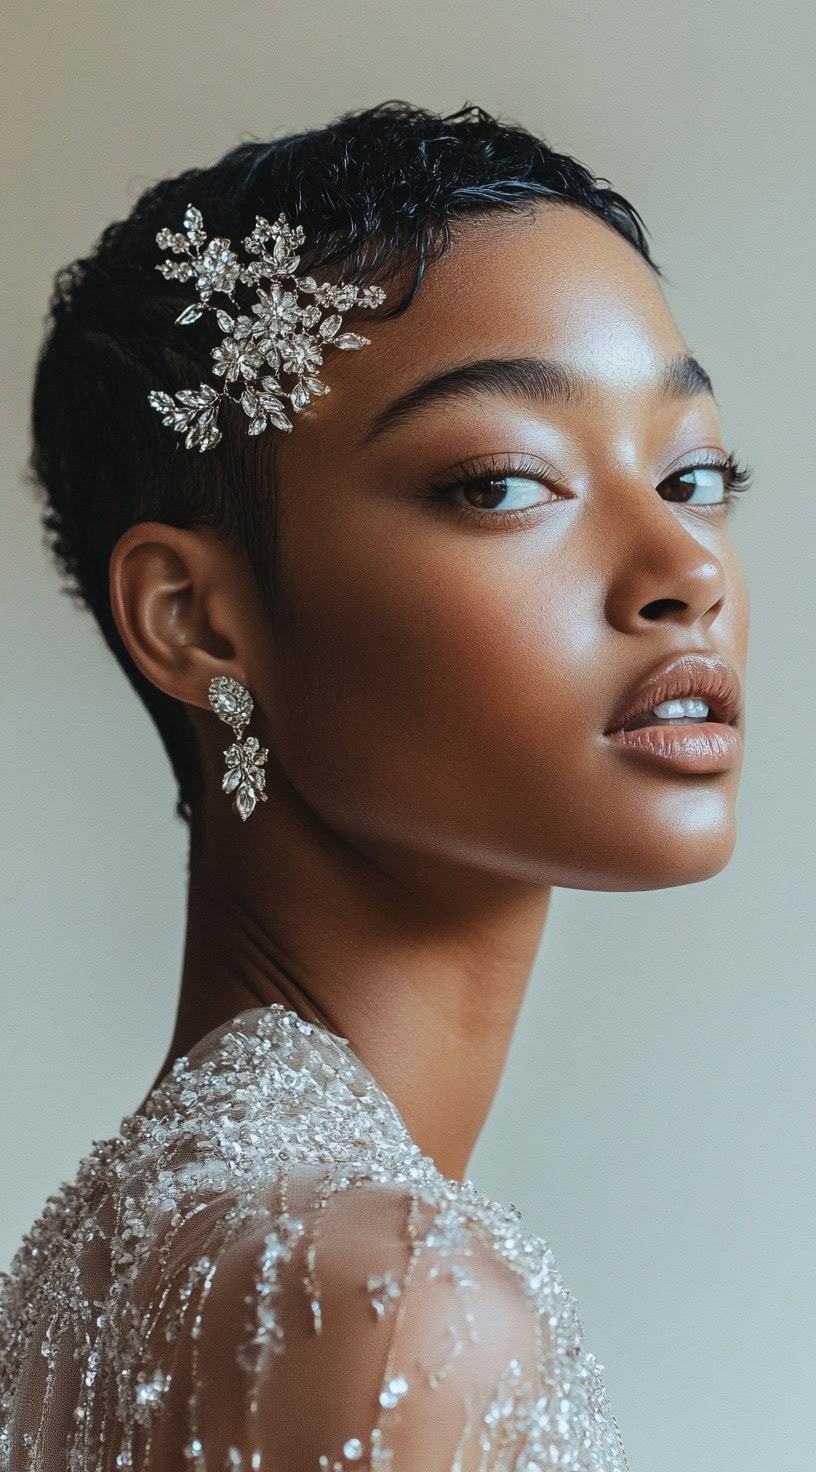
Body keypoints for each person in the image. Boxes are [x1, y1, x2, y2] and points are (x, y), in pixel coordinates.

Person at [0, 99, 751, 1471]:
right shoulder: (394, 1311)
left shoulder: (84, 1279)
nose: (686, 570)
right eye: (500, 485)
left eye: (696, 472)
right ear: (195, 620)